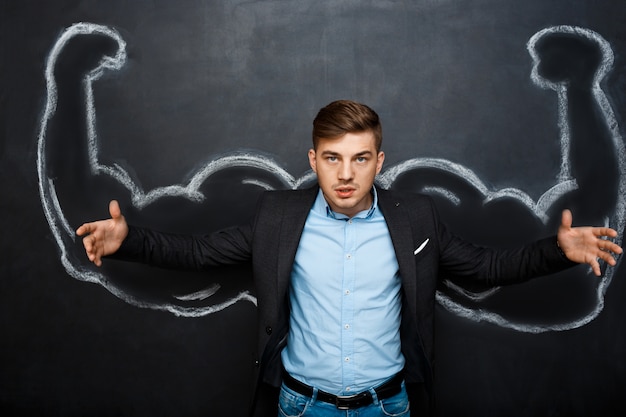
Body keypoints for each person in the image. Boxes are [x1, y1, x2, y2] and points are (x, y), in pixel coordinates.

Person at [76, 100, 622, 417]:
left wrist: (557, 251)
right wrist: (132, 240)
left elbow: (486, 267)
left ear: (378, 160)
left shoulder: (415, 219)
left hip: (388, 407)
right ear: (313, 159)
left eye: (360, 159)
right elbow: (198, 252)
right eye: (332, 158)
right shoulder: (278, 216)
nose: (345, 175)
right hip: (300, 406)